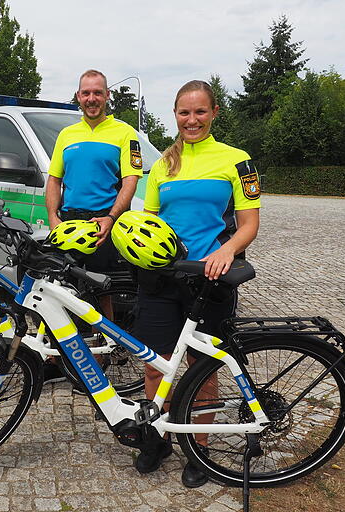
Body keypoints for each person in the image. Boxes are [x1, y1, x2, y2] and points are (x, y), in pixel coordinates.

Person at [133, 80, 261, 487]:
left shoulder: (237, 160)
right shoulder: (162, 165)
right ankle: (158, 437)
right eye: (184, 113)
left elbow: (250, 224)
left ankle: (200, 450)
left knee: (202, 372)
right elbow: (150, 220)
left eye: (200, 112)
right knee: (155, 365)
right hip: (161, 278)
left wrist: (227, 251)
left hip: (211, 279)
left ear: (214, 112)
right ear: (175, 115)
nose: (192, 120)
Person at [44, 69, 143, 383]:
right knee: (58, 289)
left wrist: (112, 217)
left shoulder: (124, 133)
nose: (91, 99)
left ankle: (106, 347)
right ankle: (52, 355)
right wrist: (53, 218)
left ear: (107, 96)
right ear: (78, 96)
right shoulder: (67, 135)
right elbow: (54, 180)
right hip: (69, 221)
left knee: (102, 291)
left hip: (103, 221)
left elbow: (131, 180)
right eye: (86, 93)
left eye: (97, 93)